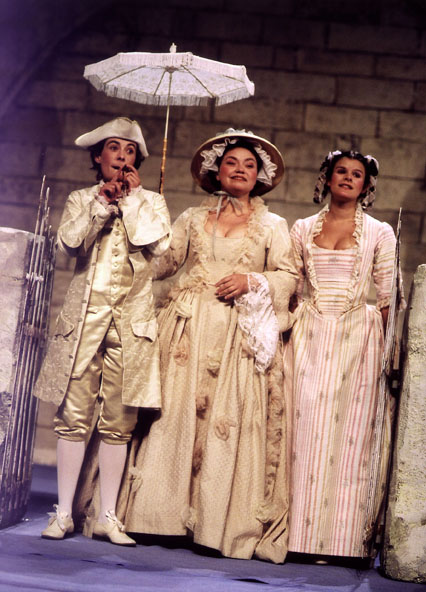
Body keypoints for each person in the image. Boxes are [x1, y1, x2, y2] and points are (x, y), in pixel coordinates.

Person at [115, 128, 298, 562]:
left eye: (249, 165)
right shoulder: (193, 218)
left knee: (226, 420)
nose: (240, 170)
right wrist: (147, 216)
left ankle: (214, 524)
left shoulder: (273, 225)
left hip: (237, 332)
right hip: (188, 330)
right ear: (218, 170)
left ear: (259, 176)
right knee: (173, 418)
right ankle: (159, 517)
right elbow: (163, 265)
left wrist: (251, 280)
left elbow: (289, 276)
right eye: (232, 162)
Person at [34, 117, 171, 546]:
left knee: (118, 422)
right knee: (73, 417)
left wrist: (132, 202)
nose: (123, 157)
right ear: (98, 156)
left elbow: (160, 246)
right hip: (84, 324)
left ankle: (108, 516)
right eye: (115, 148)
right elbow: (69, 244)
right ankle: (63, 513)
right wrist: (101, 204)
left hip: (130, 326)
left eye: (130, 152)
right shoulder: (81, 198)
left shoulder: (152, 202)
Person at [283, 150, 401, 560]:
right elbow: (292, 288)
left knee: (350, 440)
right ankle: (296, 539)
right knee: (303, 431)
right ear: (327, 178)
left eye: (357, 175)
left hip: (358, 339)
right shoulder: (302, 228)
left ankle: (343, 543)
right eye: (341, 172)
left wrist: (392, 355)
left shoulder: (379, 232)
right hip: (309, 334)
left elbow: (387, 297)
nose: (348, 179)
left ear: (366, 186)